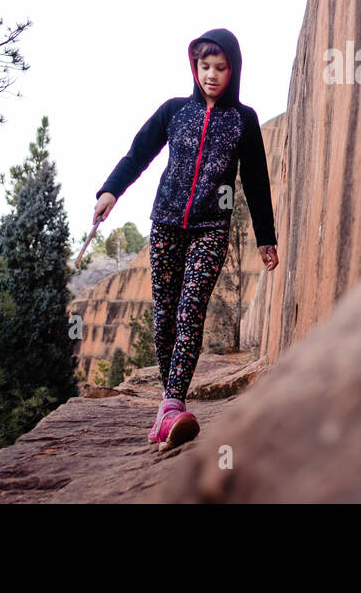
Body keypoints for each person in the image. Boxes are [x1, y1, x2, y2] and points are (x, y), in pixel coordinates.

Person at [92, 27, 279, 451]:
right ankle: (167, 403)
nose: (211, 75)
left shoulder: (242, 120)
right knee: (165, 318)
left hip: (211, 229)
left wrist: (266, 237)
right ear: (193, 67)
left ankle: (173, 406)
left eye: (220, 67)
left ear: (234, 69)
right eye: (204, 66)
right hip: (165, 226)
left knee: (191, 309)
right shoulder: (174, 111)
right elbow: (139, 153)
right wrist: (110, 191)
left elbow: (255, 180)